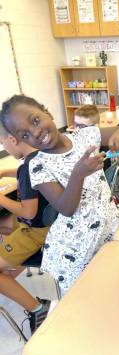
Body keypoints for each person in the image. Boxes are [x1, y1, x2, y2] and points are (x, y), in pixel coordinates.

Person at [1, 94, 119, 295]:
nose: (35, 132)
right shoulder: (38, 165)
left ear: (47, 112)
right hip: (73, 249)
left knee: (110, 284)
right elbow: (66, 208)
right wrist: (78, 174)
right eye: (26, 135)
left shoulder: (85, 136)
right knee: (82, 299)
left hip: (106, 229)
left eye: (36, 120)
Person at [0, 118, 50, 334]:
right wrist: (3, 172)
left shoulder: (28, 168)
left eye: (3, 143)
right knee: (1, 222)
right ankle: (10, 266)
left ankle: (38, 309)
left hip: (35, 231)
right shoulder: (39, 155)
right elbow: (23, 171)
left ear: (12, 139)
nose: (4, 148)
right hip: (46, 225)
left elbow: (28, 211)